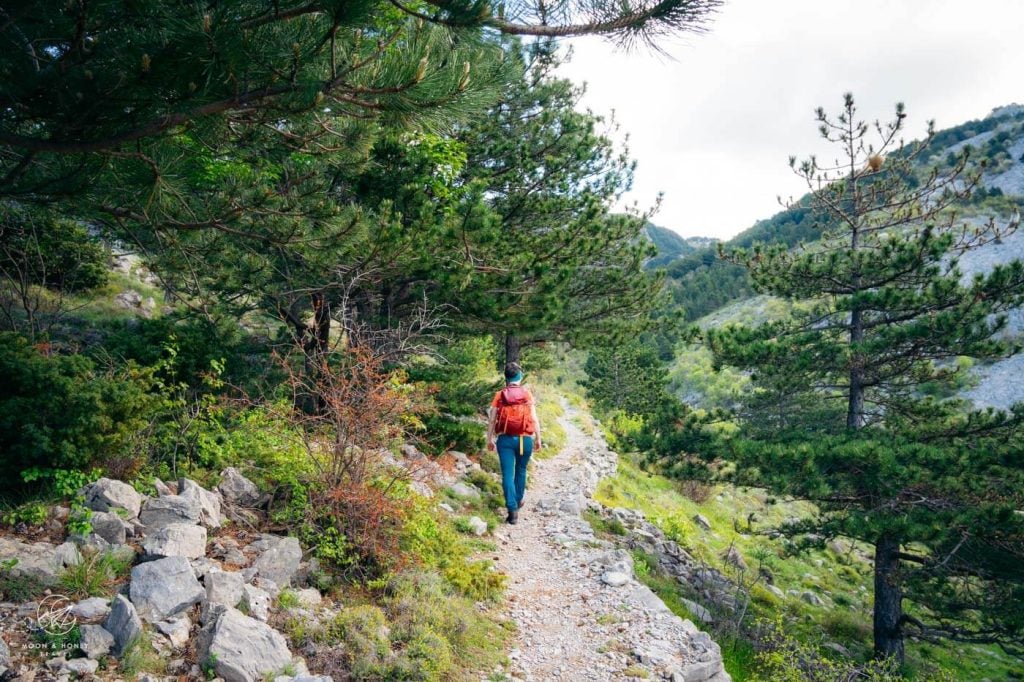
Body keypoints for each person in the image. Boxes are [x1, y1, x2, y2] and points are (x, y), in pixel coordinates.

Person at [486, 361, 542, 524]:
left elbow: (492, 420)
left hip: (505, 440)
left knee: (508, 474)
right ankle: (517, 501)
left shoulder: (499, 395)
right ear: (520, 376)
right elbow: (534, 418)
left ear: (506, 377)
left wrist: (489, 439)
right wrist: (538, 438)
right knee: (521, 470)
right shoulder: (527, 394)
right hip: (525, 440)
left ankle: (512, 509)